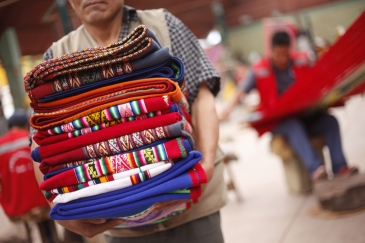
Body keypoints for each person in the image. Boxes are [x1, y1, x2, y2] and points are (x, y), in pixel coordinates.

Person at [30, 0, 226, 242]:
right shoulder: (56, 58)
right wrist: (59, 206)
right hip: (119, 223)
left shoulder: (164, 24)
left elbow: (201, 95)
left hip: (193, 205)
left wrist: (203, 167)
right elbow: (42, 139)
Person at [220, 31, 358, 181]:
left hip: (306, 116)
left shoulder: (302, 62)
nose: (283, 58)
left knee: (330, 121)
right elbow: (241, 90)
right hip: (280, 122)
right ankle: (316, 169)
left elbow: (321, 78)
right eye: (279, 54)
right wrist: (226, 110)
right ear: (271, 51)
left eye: (286, 54)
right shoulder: (259, 69)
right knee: (292, 126)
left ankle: (340, 167)